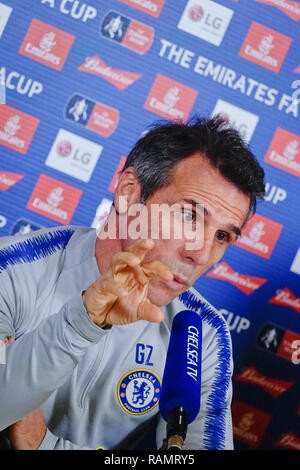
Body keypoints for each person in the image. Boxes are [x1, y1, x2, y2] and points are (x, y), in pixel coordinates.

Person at [0, 116, 265, 450]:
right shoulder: (10, 269)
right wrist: (80, 323)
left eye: (223, 236)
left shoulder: (203, 333)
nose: (201, 254)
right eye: (189, 215)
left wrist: (43, 445)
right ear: (129, 193)